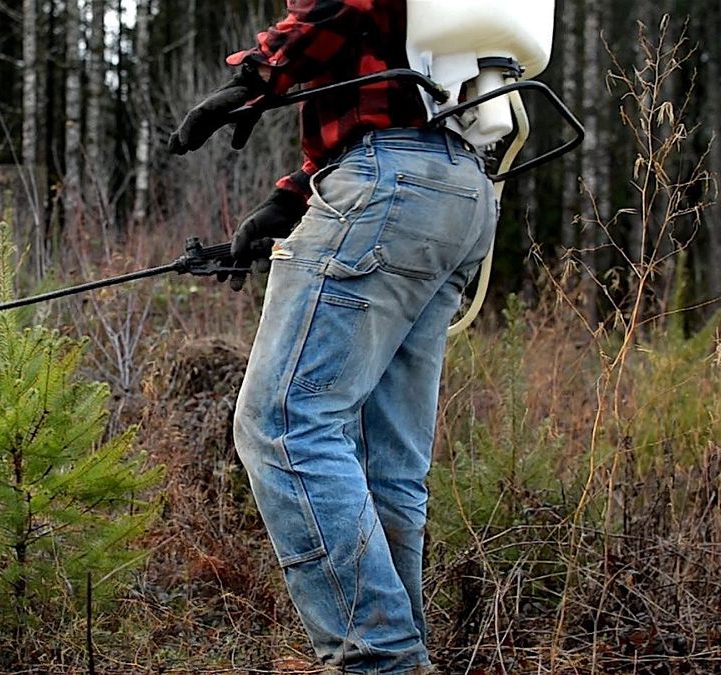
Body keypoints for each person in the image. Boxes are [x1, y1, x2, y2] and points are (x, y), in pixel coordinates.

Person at [169, 1, 498, 672]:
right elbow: (392, 83)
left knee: (285, 423)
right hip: (459, 188)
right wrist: (289, 203)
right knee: (388, 466)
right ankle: (402, 654)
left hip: (394, 181)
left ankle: (381, 661)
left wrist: (258, 74)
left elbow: (349, 9)